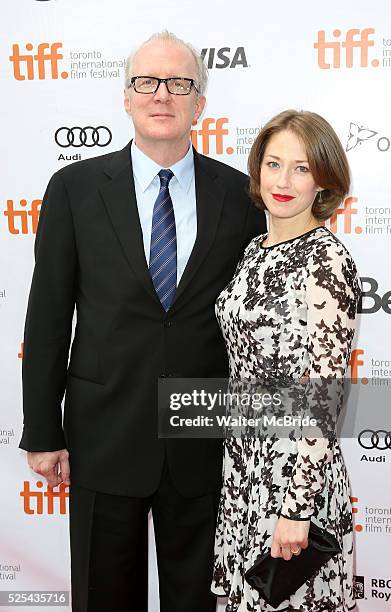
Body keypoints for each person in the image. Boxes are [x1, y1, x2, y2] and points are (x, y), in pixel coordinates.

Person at [19, 31, 266, 612]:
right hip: (103, 436)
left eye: (179, 83)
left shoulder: (240, 196)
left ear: (199, 104)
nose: (162, 94)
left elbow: (254, 331)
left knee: (199, 601)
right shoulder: (74, 189)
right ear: (126, 97)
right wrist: (42, 431)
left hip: (204, 441)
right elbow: (49, 317)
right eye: (146, 82)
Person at [211, 110, 361, 611]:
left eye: (301, 168)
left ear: (323, 179)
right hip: (244, 473)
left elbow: (323, 396)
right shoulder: (256, 249)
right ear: (257, 170)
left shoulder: (326, 261)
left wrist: (296, 510)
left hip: (293, 478)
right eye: (274, 164)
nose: (283, 180)